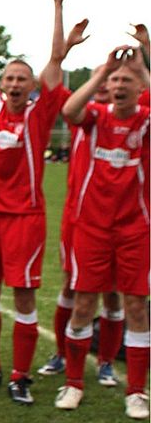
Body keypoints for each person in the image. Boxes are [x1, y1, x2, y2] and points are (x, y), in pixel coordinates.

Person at [0, 0, 85, 405]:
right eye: (9, 79)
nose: (14, 84)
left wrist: (57, 6)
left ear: (34, 86)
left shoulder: (41, 111)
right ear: (0, 84)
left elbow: (56, 56)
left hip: (26, 218)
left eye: (22, 79)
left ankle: (20, 375)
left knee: (25, 295)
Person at [56, 46, 149, 418]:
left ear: (139, 87)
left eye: (128, 80)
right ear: (107, 87)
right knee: (83, 304)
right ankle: (74, 383)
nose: (120, 84)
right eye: (115, 80)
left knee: (136, 308)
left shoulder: (144, 120)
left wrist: (141, 65)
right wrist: (103, 71)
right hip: (92, 229)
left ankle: (137, 391)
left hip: (136, 230)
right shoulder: (95, 116)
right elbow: (68, 110)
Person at [38, 69, 124, 387]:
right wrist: (66, 44)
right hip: (78, 219)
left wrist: (145, 49)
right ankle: (62, 354)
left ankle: (106, 363)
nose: (104, 87)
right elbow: (50, 80)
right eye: (100, 81)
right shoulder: (82, 114)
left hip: (119, 220)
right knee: (71, 286)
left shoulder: (131, 116)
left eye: (110, 82)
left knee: (113, 294)